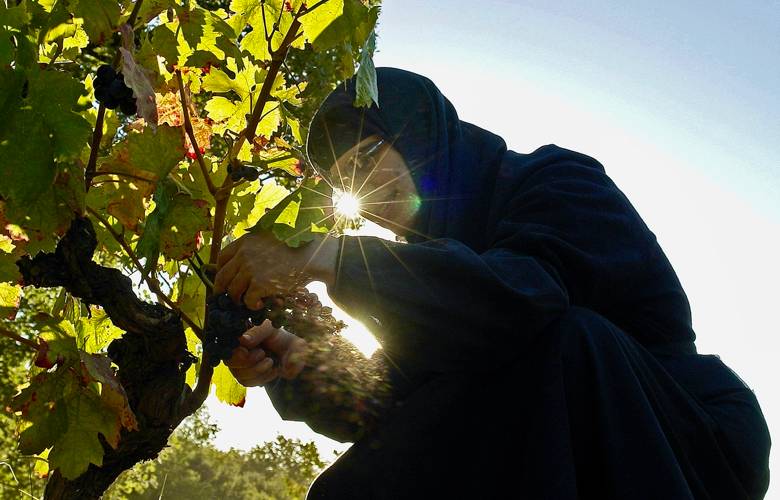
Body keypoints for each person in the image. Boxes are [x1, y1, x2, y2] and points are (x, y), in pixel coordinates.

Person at [214, 68, 771, 499]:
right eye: (342, 182)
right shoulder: (434, 284)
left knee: (560, 338)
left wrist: (330, 256)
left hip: (690, 438)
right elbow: (387, 401)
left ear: (419, 134)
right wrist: (297, 363)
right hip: (554, 435)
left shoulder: (557, 181)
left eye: (365, 157)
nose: (359, 190)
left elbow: (516, 303)